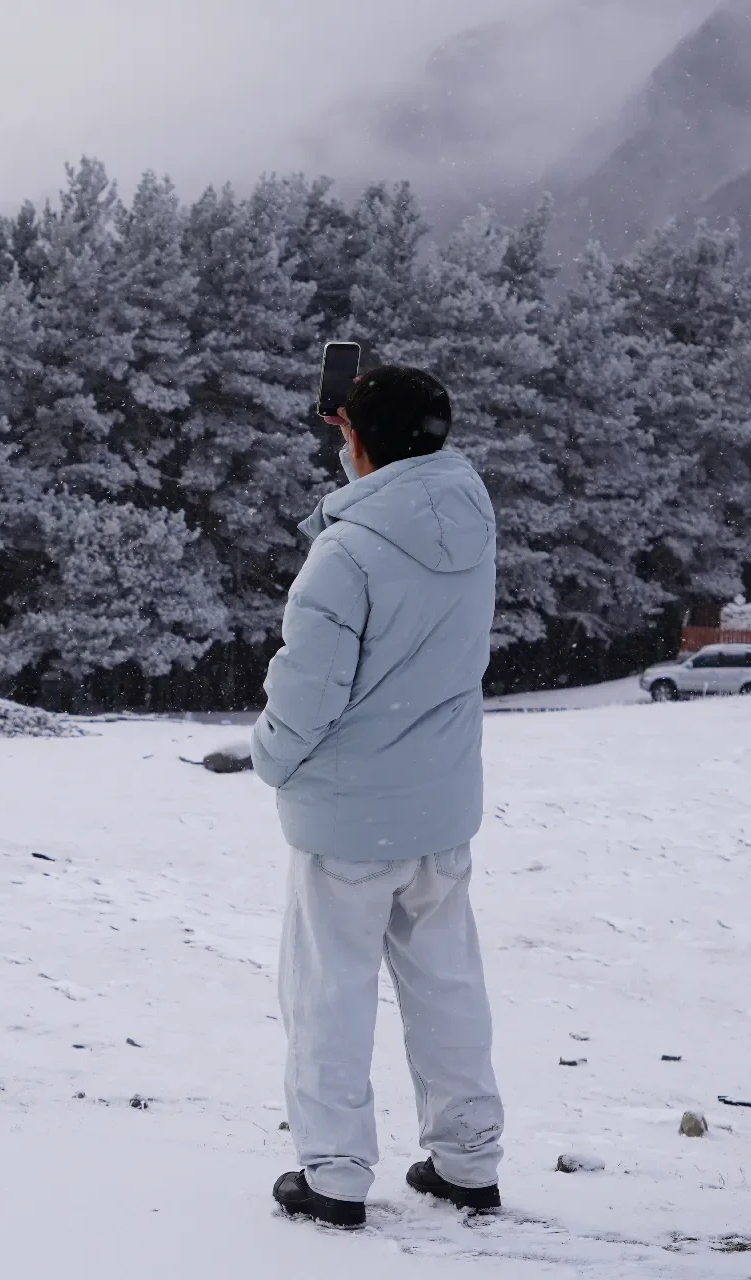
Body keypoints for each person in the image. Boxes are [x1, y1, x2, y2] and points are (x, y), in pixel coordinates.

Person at [253, 365, 502, 1230]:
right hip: (439, 807)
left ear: (355, 437)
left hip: (351, 817)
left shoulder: (346, 550)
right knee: (447, 986)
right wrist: (367, 430)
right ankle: (469, 1161)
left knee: (330, 991)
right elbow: (401, 495)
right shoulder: (472, 519)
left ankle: (334, 1175)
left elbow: (306, 692)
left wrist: (270, 759)